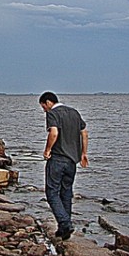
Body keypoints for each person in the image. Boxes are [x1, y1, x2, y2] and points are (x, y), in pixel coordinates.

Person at [39, 91, 88, 240]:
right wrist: (83, 153)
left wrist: (47, 150)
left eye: (43, 107)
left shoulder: (53, 113)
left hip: (58, 159)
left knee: (52, 192)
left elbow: (54, 133)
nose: (44, 110)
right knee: (66, 193)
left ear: (48, 102)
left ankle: (65, 223)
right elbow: (84, 133)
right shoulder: (74, 113)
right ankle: (64, 229)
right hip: (72, 160)